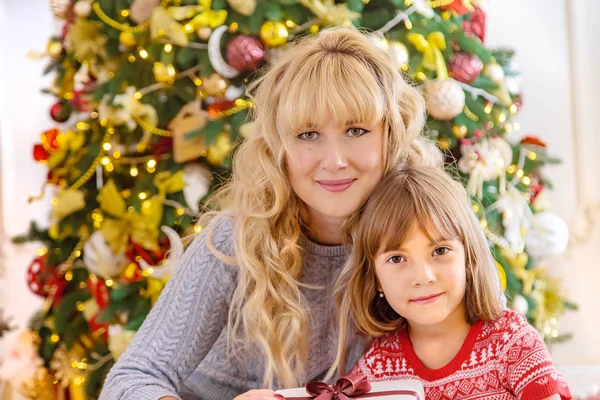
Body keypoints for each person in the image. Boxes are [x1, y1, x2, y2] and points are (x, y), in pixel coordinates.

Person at [100, 26, 436, 400]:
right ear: (280, 148)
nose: (335, 161)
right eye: (308, 135)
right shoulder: (236, 240)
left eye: (356, 130)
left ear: (391, 135)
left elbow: (492, 336)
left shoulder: (427, 227)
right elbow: (131, 379)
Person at [330, 165, 572, 400]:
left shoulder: (513, 342)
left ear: (468, 257)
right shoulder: (375, 369)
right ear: (375, 278)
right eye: (397, 258)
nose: (423, 276)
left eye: (439, 250)